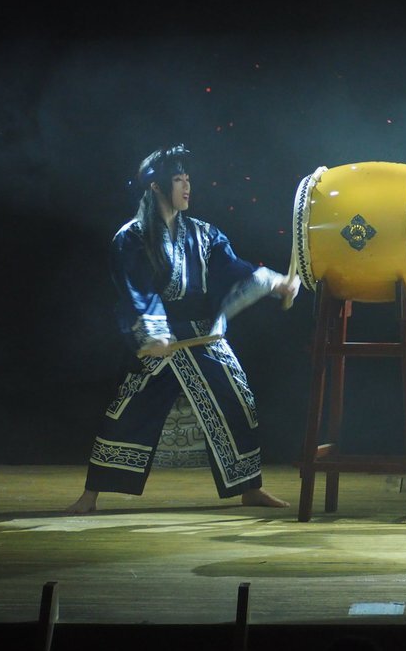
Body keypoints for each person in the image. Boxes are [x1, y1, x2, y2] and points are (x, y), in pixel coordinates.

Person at [67, 145, 299, 514]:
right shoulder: (132, 237)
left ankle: (250, 488)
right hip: (162, 341)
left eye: (188, 179)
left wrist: (274, 283)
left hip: (205, 337)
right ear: (156, 187)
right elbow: (137, 289)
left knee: (238, 401)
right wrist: (154, 332)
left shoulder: (204, 234)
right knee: (128, 411)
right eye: (178, 180)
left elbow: (234, 269)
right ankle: (90, 495)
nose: (187, 186)